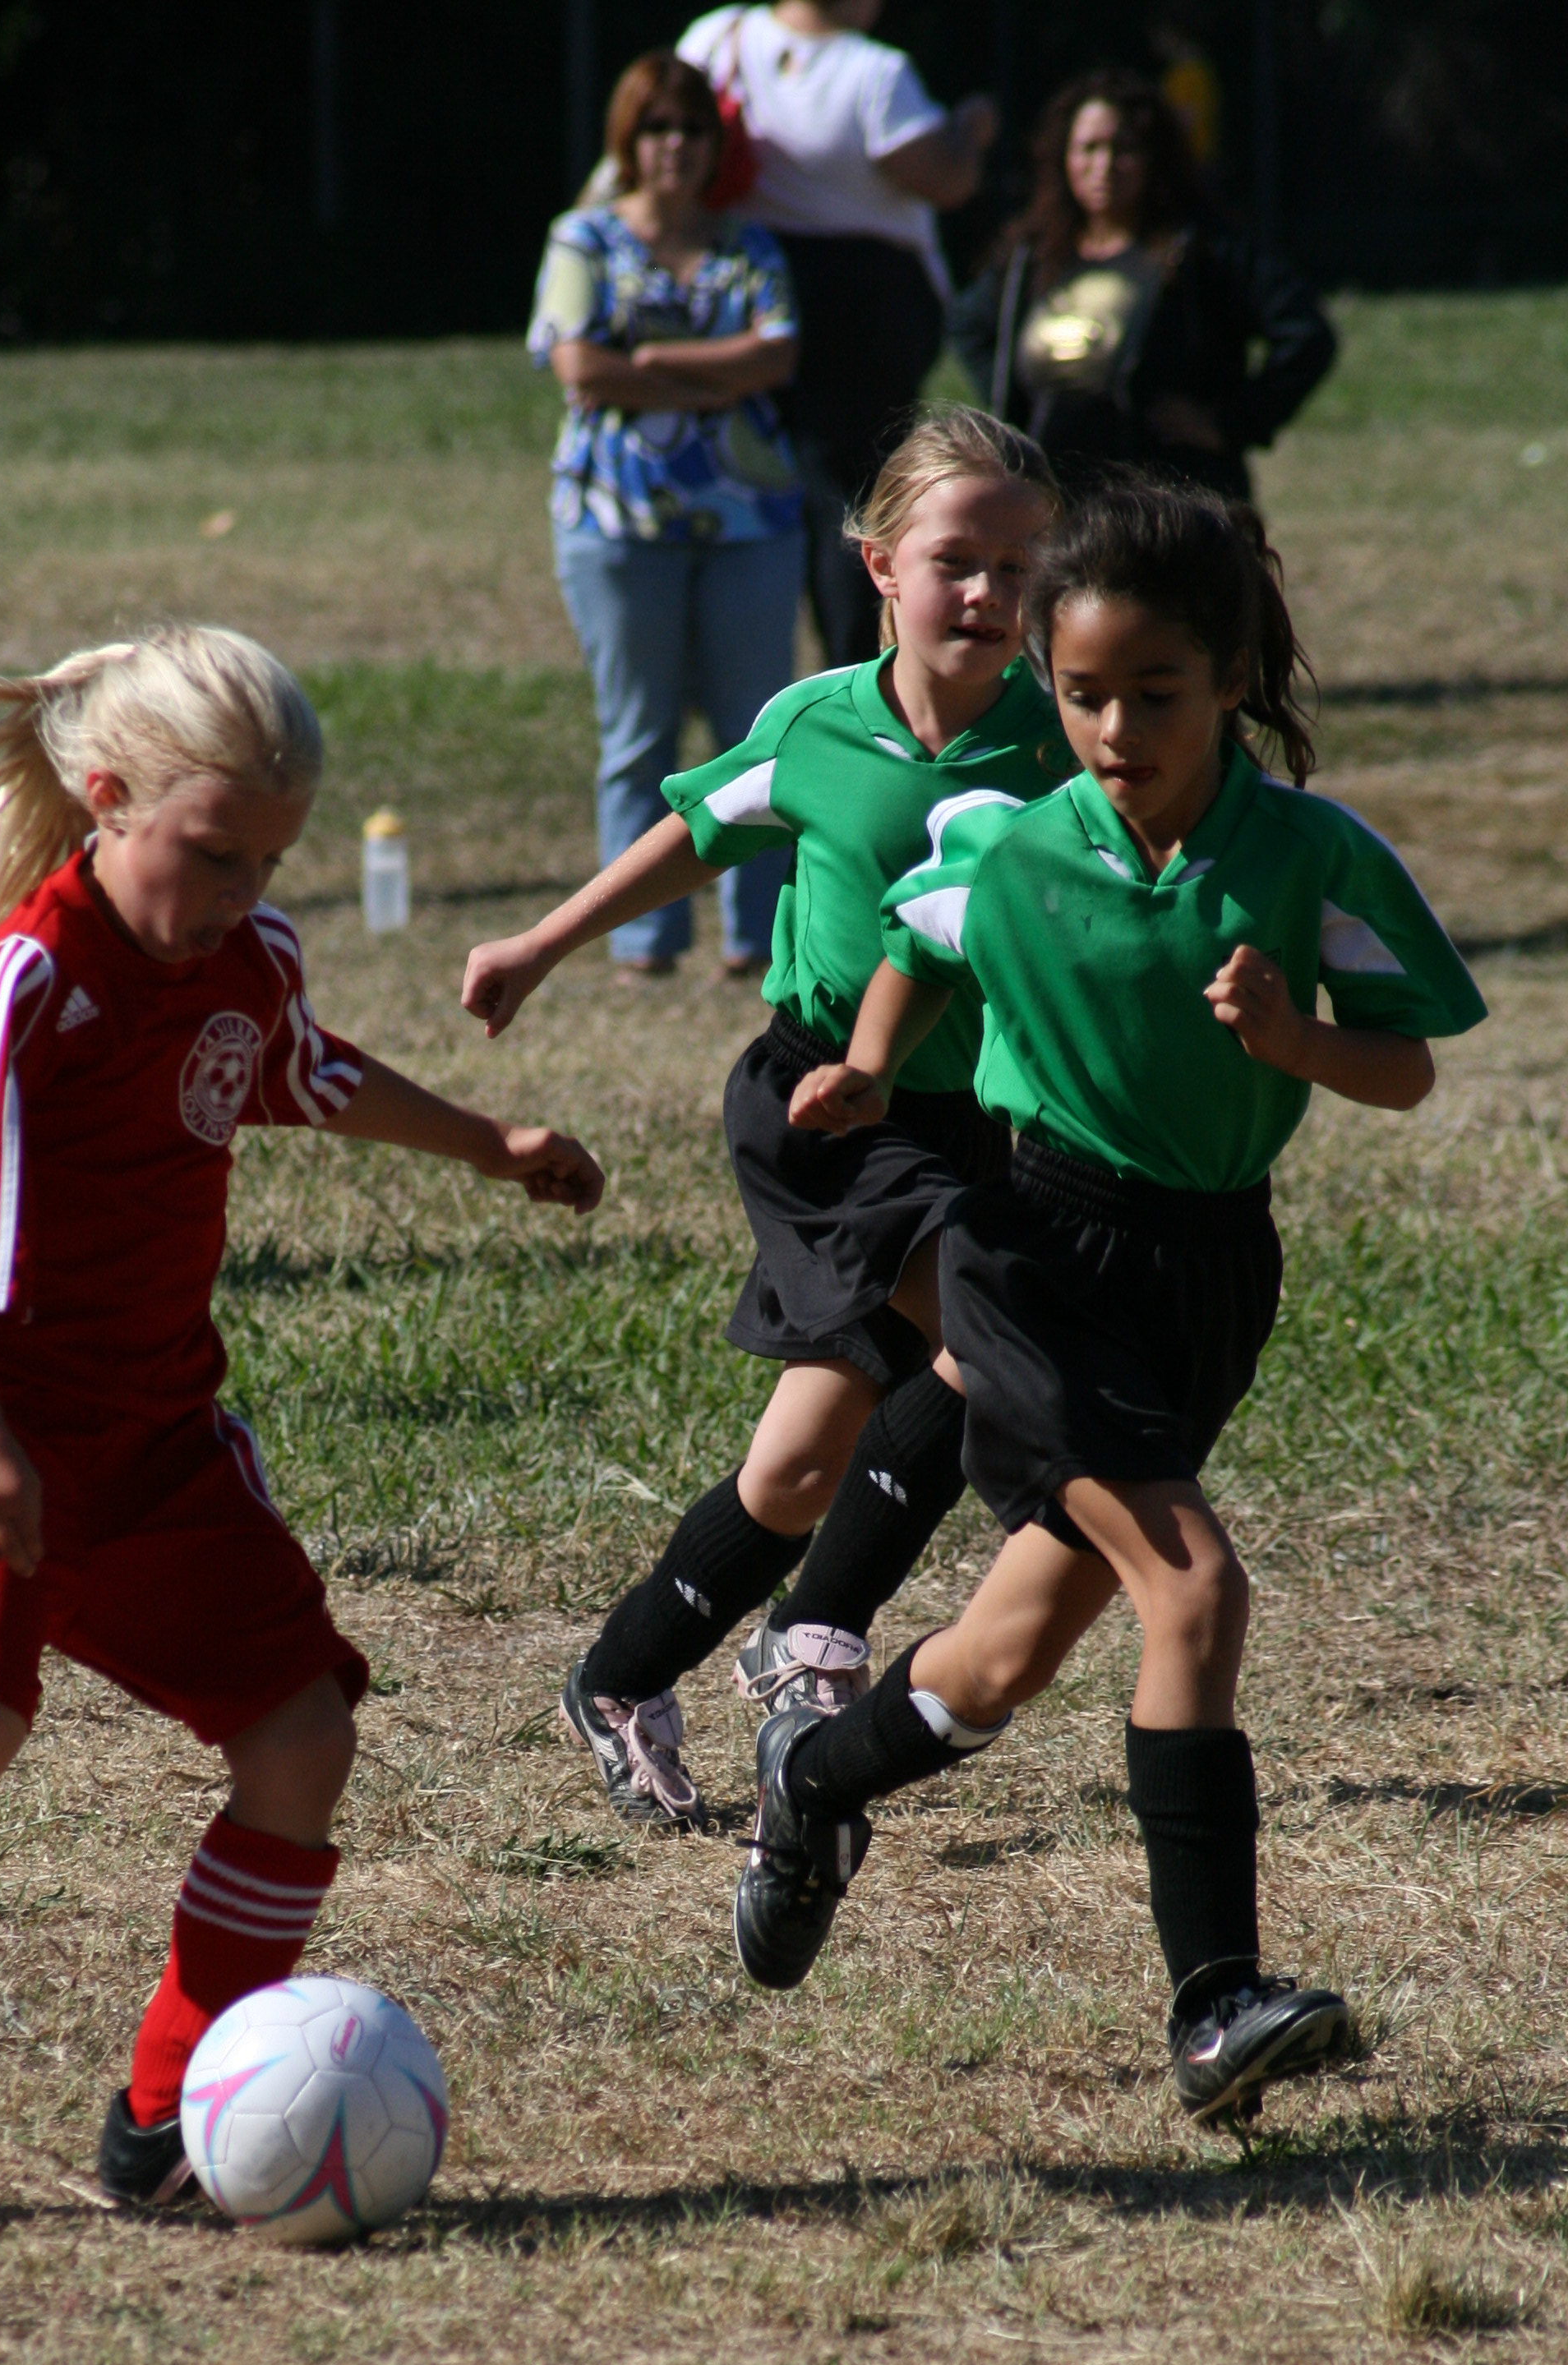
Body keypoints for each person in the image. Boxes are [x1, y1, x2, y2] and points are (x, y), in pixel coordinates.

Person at [0, 625, 604, 2204]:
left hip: (157, 1450)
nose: (240, 893)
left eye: (267, 862)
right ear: (109, 798)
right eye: (213, 854)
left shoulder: (242, 959)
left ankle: (162, 2123)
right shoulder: (24, 987)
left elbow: (299, 1068)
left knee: (301, 1738)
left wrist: (491, 1142)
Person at [730, 482, 1486, 2129]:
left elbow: (1408, 1066)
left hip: (1208, 1273)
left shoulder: (1306, 855)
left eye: (1156, 692)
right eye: (1082, 695)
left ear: (1231, 678)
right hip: (1034, 1258)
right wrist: (870, 1068)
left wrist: (1294, 1042)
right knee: (1194, 1590)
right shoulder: (1011, 843)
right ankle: (1216, 2006)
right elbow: (920, 941)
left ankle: (815, 1774)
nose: (1116, 730)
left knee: (1002, 1658)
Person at [462, 409, 1067, 1829]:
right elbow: (698, 830)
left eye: (1020, 564)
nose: (989, 591)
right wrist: (542, 944)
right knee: (995, 1336)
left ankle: (619, 1677)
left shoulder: (1062, 741)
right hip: (821, 1112)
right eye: (957, 560)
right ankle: (818, 1641)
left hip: (964, 1121)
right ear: (879, 565)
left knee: (797, 1469)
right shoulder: (818, 725)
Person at [532, 51, 805, 981]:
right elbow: (577, 366)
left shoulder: (749, 244)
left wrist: (648, 363)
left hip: (751, 522)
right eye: (656, 128)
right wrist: (715, 375)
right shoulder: (583, 240)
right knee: (637, 737)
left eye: (691, 128)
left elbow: (776, 357)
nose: (675, 146)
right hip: (614, 527)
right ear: (628, 140)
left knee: (755, 738)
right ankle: (642, 942)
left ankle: (759, 937)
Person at [678, 3, 997, 667]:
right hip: (863, 305)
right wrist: (969, 128)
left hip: (745, 288)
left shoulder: (718, 36)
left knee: (750, 482)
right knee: (854, 504)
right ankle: (855, 668)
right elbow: (945, 179)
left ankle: (743, 670)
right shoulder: (874, 72)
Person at [950, 67, 1335, 503]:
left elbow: (1306, 333)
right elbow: (969, 325)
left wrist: (1233, 423)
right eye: (1089, 148)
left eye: (1124, 149)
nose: (1104, 166)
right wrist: (1016, 413)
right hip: (1059, 503)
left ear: (1156, 157)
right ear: (1063, 157)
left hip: (1171, 503)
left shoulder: (1201, 250)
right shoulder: (1032, 257)